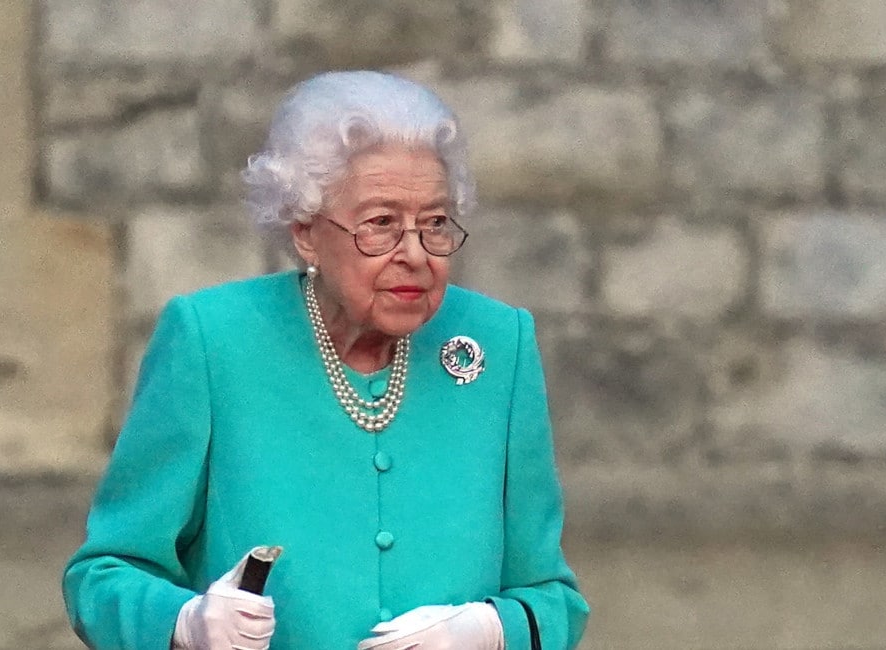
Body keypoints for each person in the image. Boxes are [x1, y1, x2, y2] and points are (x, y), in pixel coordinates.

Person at [62, 70, 589, 650]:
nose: (414, 254)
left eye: (435, 223)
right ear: (307, 232)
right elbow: (102, 575)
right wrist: (184, 625)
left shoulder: (499, 343)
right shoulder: (212, 341)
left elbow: (552, 598)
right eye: (380, 224)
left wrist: (492, 631)